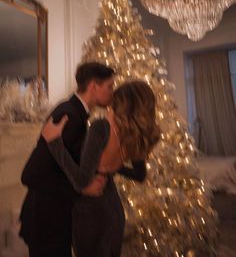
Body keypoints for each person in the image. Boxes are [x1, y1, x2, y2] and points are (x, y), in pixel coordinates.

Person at [42, 80, 160, 257]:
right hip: (113, 209)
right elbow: (139, 175)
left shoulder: (102, 127)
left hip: (90, 212)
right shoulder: (135, 135)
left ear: (122, 104)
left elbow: (81, 181)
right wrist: (108, 169)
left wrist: (54, 142)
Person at [19, 61, 115, 257]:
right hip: (46, 219)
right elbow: (31, 175)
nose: (112, 92)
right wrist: (83, 188)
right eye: (109, 86)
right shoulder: (68, 115)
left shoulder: (77, 114)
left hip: (53, 217)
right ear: (94, 86)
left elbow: (65, 166)